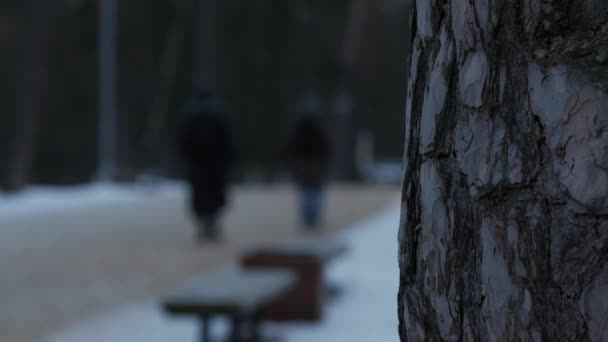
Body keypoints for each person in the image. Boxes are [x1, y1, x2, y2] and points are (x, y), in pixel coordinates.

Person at [178, 90, 235, 242]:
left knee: (200, 197)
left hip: (197, 165)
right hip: (215, 164)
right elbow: (227, 140)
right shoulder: (218, 116)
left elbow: (183, 141)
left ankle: (204, 226)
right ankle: (211, 225)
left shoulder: (190, 117)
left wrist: (185, 158)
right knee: (214, 196)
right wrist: (229, 159)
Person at [286, 115, 330, 229]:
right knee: (315, 195)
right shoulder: (319, 134)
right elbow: (326, 149)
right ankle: (313, 217)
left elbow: (291, 150)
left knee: (305, 195)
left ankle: (307, 218)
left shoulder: (299, 135)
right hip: (316, 168)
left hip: (303, 168)